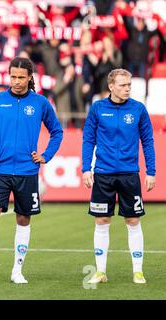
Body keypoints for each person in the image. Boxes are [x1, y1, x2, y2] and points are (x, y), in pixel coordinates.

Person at [0, 57, 63, 285]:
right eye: (13, 77)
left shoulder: (40, 103)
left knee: (23, 219)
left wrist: (46, 156)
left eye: (21, 77)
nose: (17, 81)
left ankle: (17, 271)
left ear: (30, 78)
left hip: (28, 173)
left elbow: (57, 132)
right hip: (0, 172)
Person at [82, 68, 156, 285]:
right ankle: (100, 271)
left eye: (129, 85)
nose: (127, 89)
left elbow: (148, 142)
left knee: (133, 221)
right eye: (123, 85)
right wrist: (86, 168)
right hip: (103, 174)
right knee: (102, 220)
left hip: (129, 174)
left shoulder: (139, 109)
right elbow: (88, 140)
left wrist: (151, 171)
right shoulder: (97, 108)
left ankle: (138, 271)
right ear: (111, 86)